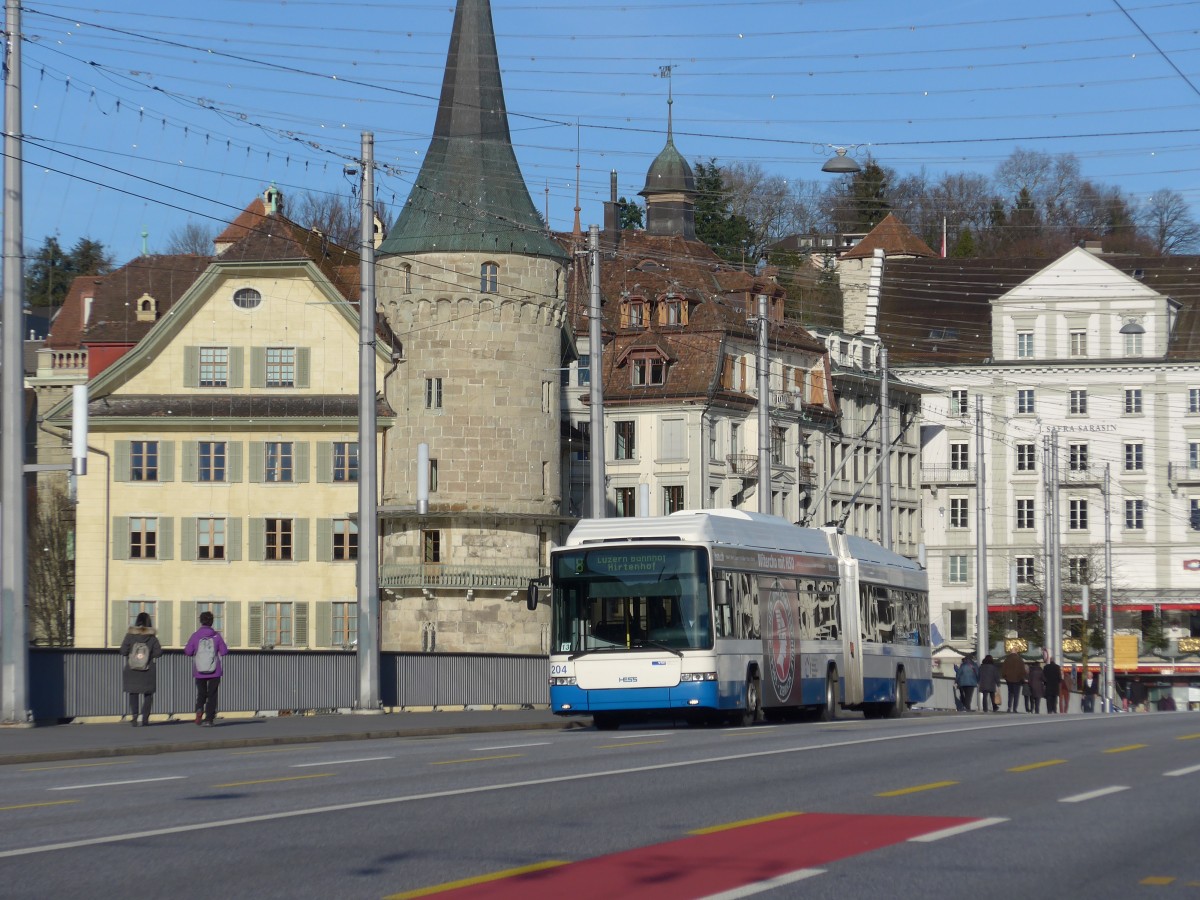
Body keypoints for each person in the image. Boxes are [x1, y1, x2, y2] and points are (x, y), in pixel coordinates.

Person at [184, 611, 229, 726]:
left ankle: (199, 708)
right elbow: (224, 651)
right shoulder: (216, 636)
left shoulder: (195, 636)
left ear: (201, 621)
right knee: (212, 695)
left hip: (199, 670)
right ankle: (209, 719)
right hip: (215, 670)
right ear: (212, 622)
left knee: (201, 693)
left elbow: (188, 652)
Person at [118, 611, 163, 726]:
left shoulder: (130, 635)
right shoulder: (152, 637)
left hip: (132, 669)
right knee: (148, 694)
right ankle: (145, 718)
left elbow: (123, 651)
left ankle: (134, 716)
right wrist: (148, 656)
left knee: (133, 692)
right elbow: (158, 653)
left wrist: (132, 655)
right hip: (148, 669)